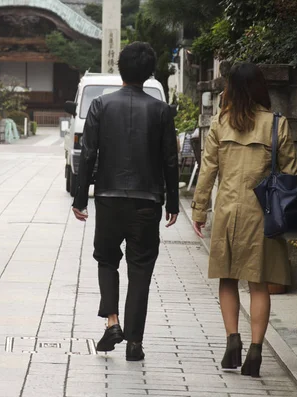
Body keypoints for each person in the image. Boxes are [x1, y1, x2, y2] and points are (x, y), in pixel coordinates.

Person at [71, 42, 180, 361]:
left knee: (106, 259)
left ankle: (112, 322)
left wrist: (81, 199)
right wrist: (172, 202)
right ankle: (135, 343)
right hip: (147, 202)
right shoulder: (161, 110)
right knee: (141, 269)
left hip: (108, 198)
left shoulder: (101, 106)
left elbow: (88, 154)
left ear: (121, 69)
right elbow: (170, 160)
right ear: (149, 73)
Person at [191, 62, 297, 377]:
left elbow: (208, 169)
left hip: (227, 212)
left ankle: (231, 342)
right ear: (259, 88)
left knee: (227, 279)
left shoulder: (220, 123)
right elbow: (291, 173)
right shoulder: (276, 124)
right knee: (258, 283)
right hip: (262, 215)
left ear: (230, 90)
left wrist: (200, 210)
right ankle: (255, 351)